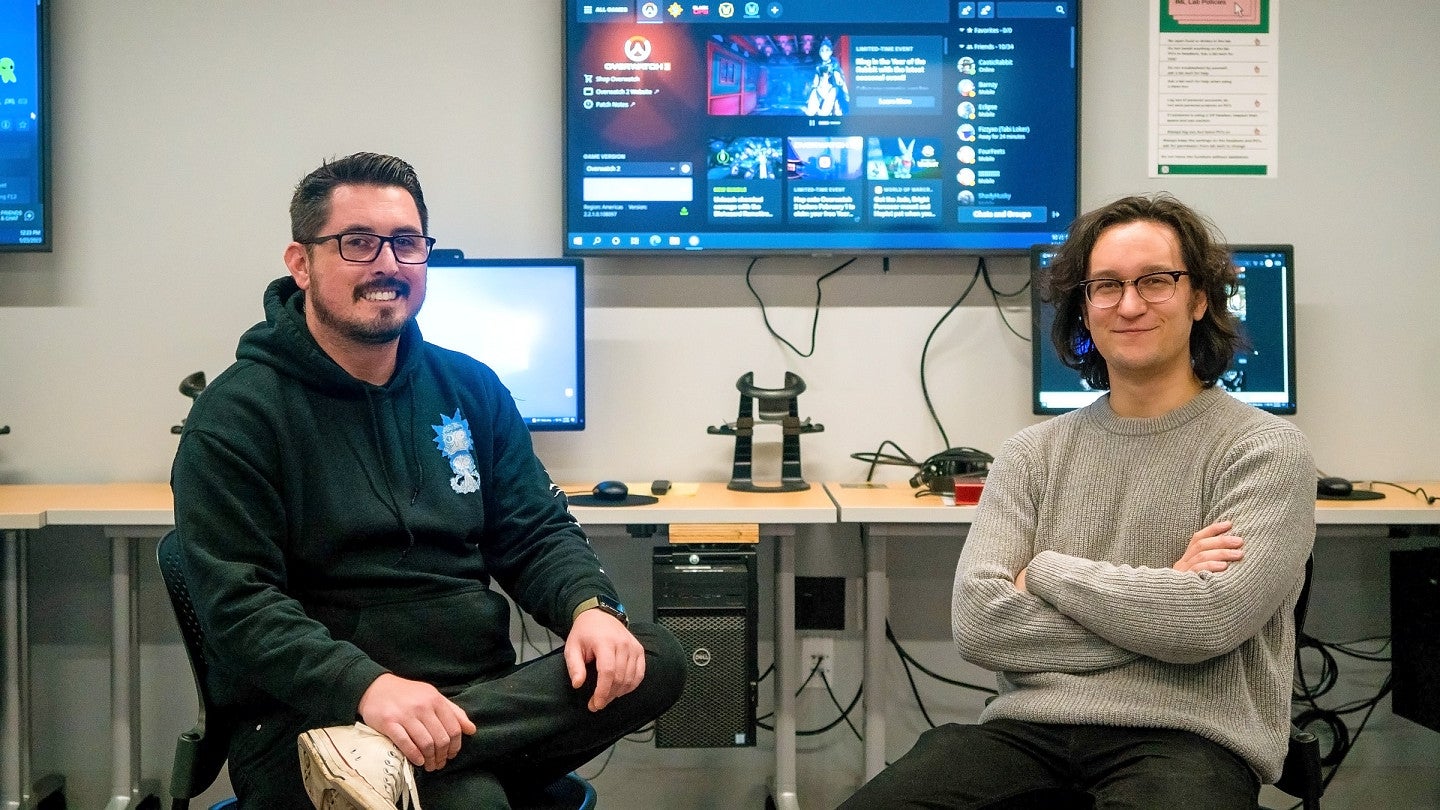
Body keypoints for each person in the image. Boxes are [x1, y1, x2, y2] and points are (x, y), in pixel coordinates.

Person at [171, 152, 685, 809]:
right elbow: (239, 607)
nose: (388, 263)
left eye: (407, 243)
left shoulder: (469, 387)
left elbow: (533, 534)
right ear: (301, 263)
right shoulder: (237, 417)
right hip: (313, 720)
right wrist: (368, 689)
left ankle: (417, 750)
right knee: (473, 804)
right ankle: (412, 751)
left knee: (650, 657)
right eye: (358, 243)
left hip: (477, 697)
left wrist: (589, 609)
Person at [840, 193, 1315, 808]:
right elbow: (981, 625)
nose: (1130, 304)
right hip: (1028, 728)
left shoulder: (1265, 449)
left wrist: (1046, 572)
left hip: (1190, 737)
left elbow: (1208, 622)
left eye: (1156, 281)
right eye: (1106, 286)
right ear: (1084, 309)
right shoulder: (1030, 454)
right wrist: (1164, 590)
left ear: (1200, 299)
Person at [803, 37, 848, 116]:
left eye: (827, 50)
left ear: (831, 52)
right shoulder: (818, 66)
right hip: (820, 88)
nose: (824, 52)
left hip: (831, 89)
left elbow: (839, 78)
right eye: (822, 50)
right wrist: (813, 87)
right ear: (820, 53)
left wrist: (840, 83)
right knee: (810, 111)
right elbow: (816, 80)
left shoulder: (834, 65)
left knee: (826, 112)